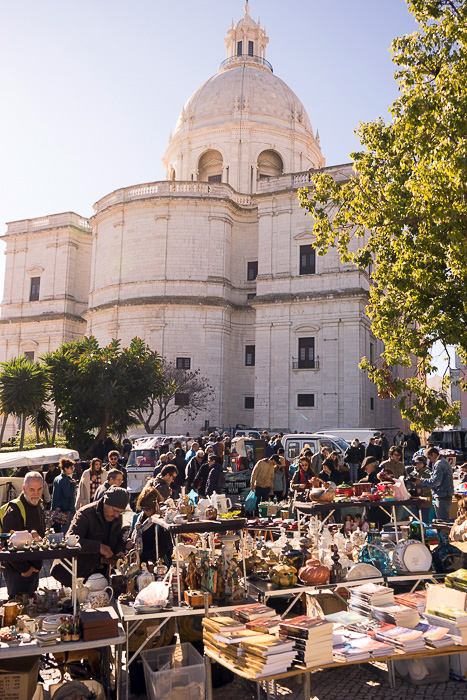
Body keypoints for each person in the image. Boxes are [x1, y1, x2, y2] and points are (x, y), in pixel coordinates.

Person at [51, 486, 129, 585]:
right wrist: (99, 547)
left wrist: (119, 550)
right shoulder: (85, 514)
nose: (117, 515)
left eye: (120, 512)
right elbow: (71, 539)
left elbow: (118, 538)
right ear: (105, 503)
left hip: (99, 572)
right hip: (77, 572)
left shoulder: (117, 518)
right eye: (115, 510)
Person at [1, 472, 46, 597]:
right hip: (17, 572)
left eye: (39, 489)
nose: (36, 493)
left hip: (33, 569)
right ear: (24, 489)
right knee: (18, 610)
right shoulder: (14, 510)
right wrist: (25, 569)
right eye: (32, 489)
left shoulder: (38, 505)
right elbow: (8, 546)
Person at [129, 485, 173, 565]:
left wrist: (141, 557)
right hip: (137, 563)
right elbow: (130, 536)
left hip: (156, 564)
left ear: (155, 507)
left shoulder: (161, 521)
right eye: (142, 508)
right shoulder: (137, 519)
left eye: (148, 509)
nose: (145, 511)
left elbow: (163, 548)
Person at [417, 447, 454, 521]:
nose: (429, 461)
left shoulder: (439, 463)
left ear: (434, 454)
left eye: (429, 458)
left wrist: (421, 481)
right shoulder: (443, 462)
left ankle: (444, 533)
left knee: (442, 521)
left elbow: (436, 482)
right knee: (443, 519)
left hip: (442, 495)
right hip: (445, 494)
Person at [51, 458, 77, 533]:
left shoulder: (57, 478)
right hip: (66, 510)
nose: (73, 470)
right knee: (67, 531)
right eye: (71, 468)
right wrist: (73, 485)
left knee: (58, 531)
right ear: (65, 468)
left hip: (57, 509)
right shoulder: (66, 480)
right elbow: (68, 494)